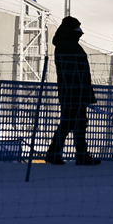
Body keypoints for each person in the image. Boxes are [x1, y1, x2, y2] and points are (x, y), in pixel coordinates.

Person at [46, 16, 100, 165]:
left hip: (72, 91)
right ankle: (73, 155)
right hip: (74, 91)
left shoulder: (67, 44)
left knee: (74, 122)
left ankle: (62, 153)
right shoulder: (68, 46)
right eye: (76, 27)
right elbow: (74, 71)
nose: (79, 30)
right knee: (73, 123)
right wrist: (80, 90)